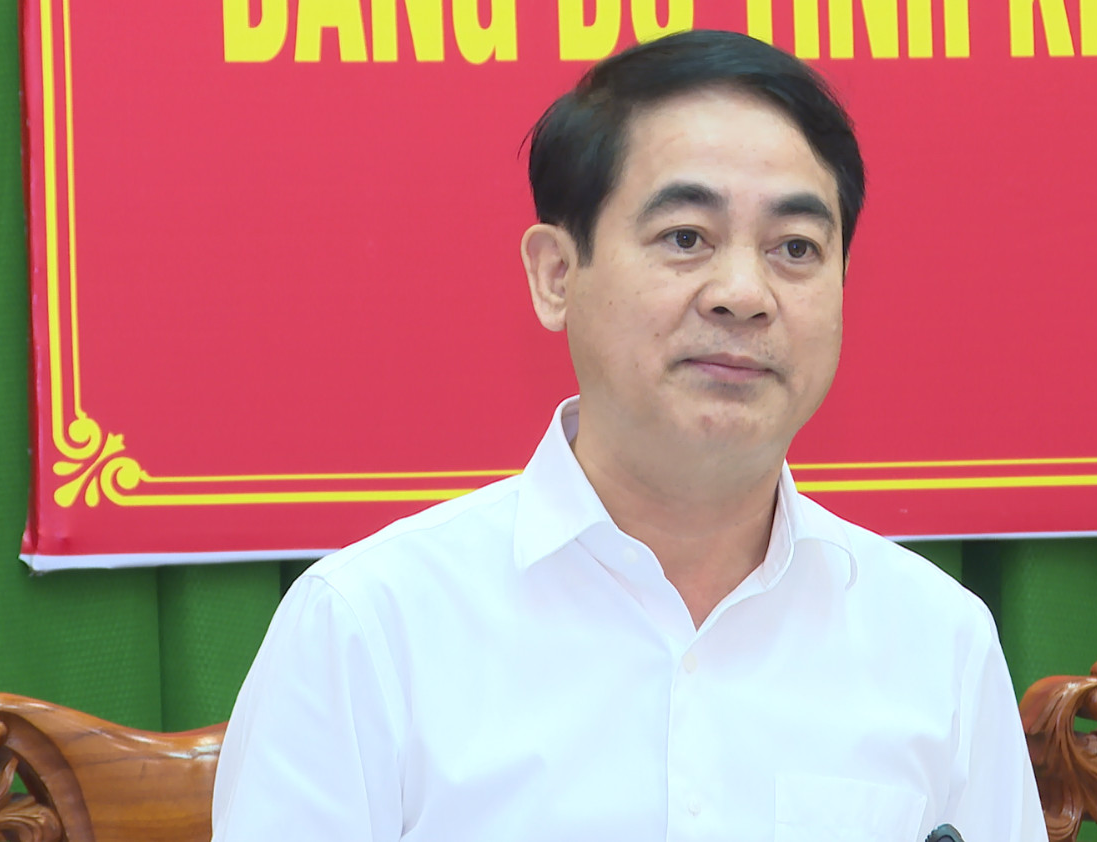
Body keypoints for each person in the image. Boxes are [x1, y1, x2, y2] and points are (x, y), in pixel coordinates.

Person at [211, 29, 1046, 842]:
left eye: (795, 248)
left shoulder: (936, 640)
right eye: (685, 238)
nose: (743, 293)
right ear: (556, 275)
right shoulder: (369, 627)